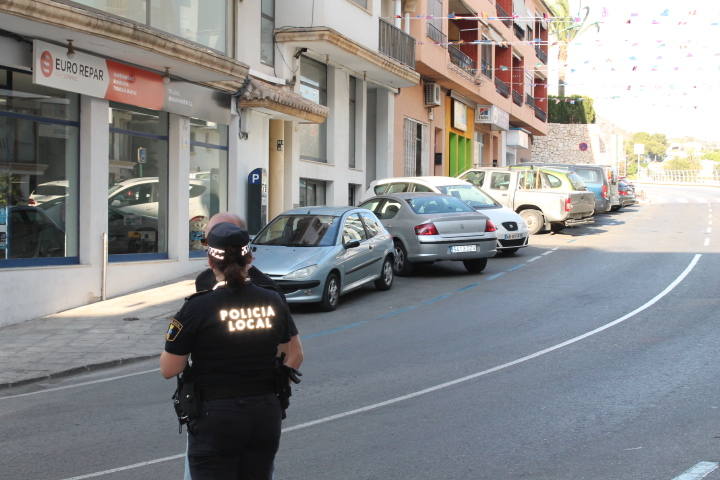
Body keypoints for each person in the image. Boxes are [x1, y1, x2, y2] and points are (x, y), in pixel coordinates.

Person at [161, 222, 304, 480]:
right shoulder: (272, 299)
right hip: (264, 412)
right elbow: (295, 355)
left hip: (215, 416)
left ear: (210, 261)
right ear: (250, 258)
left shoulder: (197, 307)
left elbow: (170, 369)